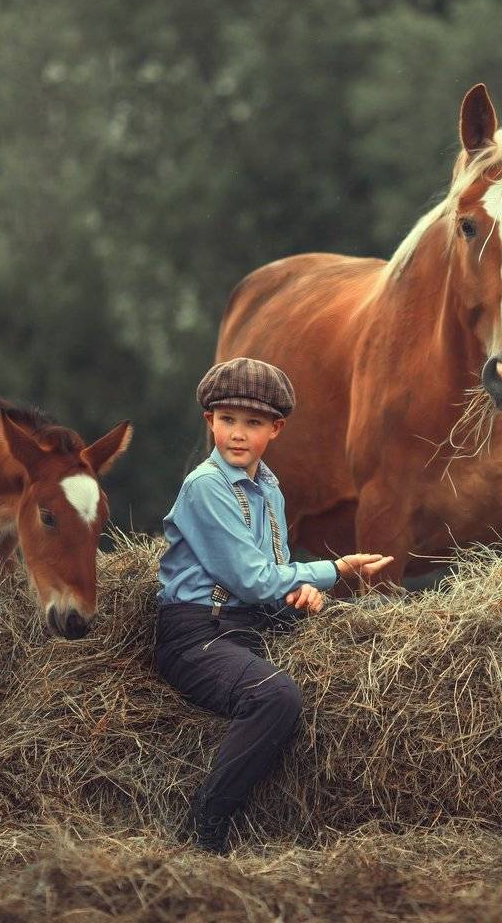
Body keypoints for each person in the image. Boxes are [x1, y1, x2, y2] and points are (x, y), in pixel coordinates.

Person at [154, 356, 393, 853]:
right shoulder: (206, 486)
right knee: (275, 697)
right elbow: (252, 578)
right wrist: (335, 570)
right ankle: (205, 827)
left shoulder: (270, 489)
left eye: (254, 423)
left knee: (354, 667)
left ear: (276, 429)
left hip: (248, 625)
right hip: (197, 634)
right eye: (227, 420)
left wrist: (301, 595)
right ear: (210, 421)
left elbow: (276, 572)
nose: (238, 434)